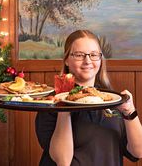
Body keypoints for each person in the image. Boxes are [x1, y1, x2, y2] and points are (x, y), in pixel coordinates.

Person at [35, 30, 142, 166]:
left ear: (100, 59)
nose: (87, 61)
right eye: (79, 55)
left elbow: (138, 152)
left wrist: (130, 112)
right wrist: (64, 108)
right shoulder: (52, 103)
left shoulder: (113, 100)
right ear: (67, 60)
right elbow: (62, 161)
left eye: (93, 55)